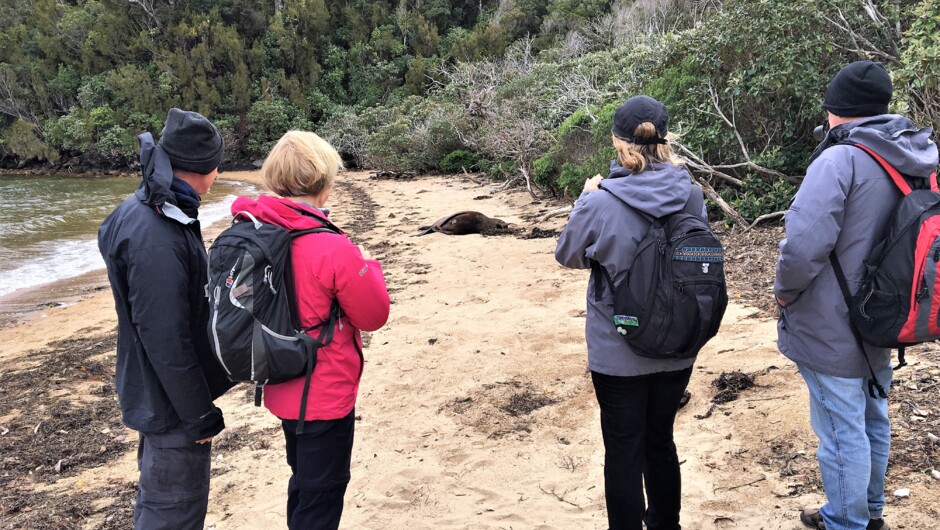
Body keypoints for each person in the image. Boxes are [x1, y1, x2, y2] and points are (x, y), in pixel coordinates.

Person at [775, 60, 938, 530]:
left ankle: (846, 521)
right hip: (888, 313)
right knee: (872, 416)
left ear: (835, 111)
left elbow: (803, 248)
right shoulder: (917, 156)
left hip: (831, 321)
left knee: (842, 429)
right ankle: (869, 513)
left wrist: (783, 295)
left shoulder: (839, 160)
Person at [555, 95, 705, 530]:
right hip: (678, 341)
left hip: (617, 349)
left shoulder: (601, 200)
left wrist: (584, 200)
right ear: (665, 140)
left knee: (623, 448)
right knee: (660, 441)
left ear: (618, 143)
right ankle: (666, 525)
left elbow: (568, 254)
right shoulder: (691, 194)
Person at [230, 130, 390, 530]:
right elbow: (372, 316)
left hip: (279, 377)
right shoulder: (331, 246)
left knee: (304, 482)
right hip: (325, 390)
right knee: (322, 493)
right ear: (325, 183)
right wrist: (368, 266)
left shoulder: (253, 229)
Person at [98, 108, 235, 529]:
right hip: (170, 404)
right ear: (205, 168)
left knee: (160, 503)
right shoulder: (157, 230)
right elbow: (165, 337)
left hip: (154, 390)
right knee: (172, 511)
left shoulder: (147, 209)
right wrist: (198, 413)